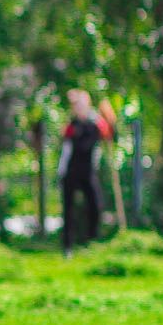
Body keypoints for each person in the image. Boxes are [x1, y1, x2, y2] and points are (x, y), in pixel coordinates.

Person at [58, 88, 113, 255]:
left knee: (95, 206)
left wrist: (110, 120)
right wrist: (61, 172)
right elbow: (66, 149)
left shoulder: (96, 123)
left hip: (89, 171)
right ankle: (67, 247)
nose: (79, 108)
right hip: (71, 171)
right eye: (76, 105)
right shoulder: (71, 125)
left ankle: (92, 242)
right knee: (68, 209)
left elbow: (110, 135)